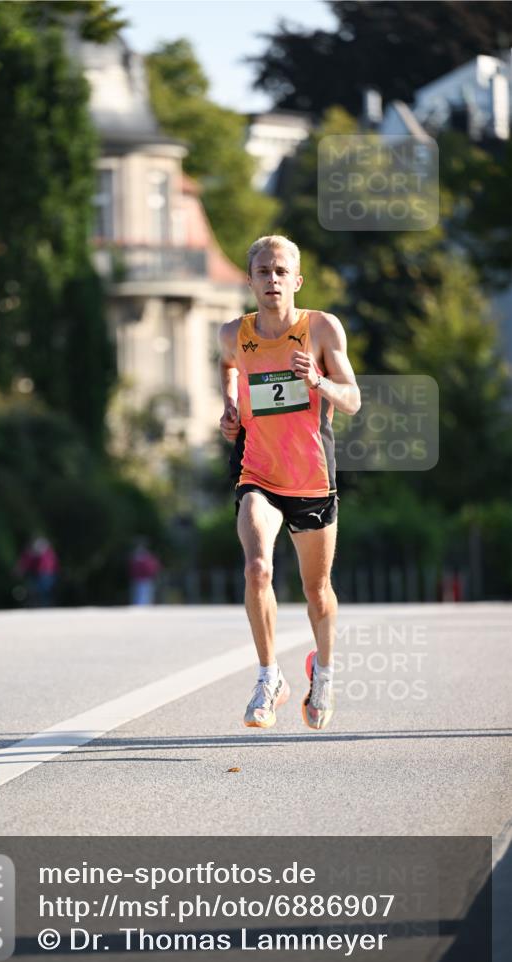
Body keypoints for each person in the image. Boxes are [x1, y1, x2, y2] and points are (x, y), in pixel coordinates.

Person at [219, 235, 360, 730]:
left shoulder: (320, 329)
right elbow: (229, 366)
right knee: (257, 567)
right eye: (263, 271)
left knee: (316, 589)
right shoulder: (233, 332)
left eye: (281, 272)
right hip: (258, 472)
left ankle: (322, 674)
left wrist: (317, 381)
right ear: (251, 279)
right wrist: (229, 408)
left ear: (296, 280)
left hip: (313, 480)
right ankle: (268, 677)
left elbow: (353, 399)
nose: (272, 280)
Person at [129, 540, 162, 606]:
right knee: (140, 597)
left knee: (144, 597)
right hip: (140, 580)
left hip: (146, 580)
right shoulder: (141, 558)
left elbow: (154, 568)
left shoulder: (146, 558)